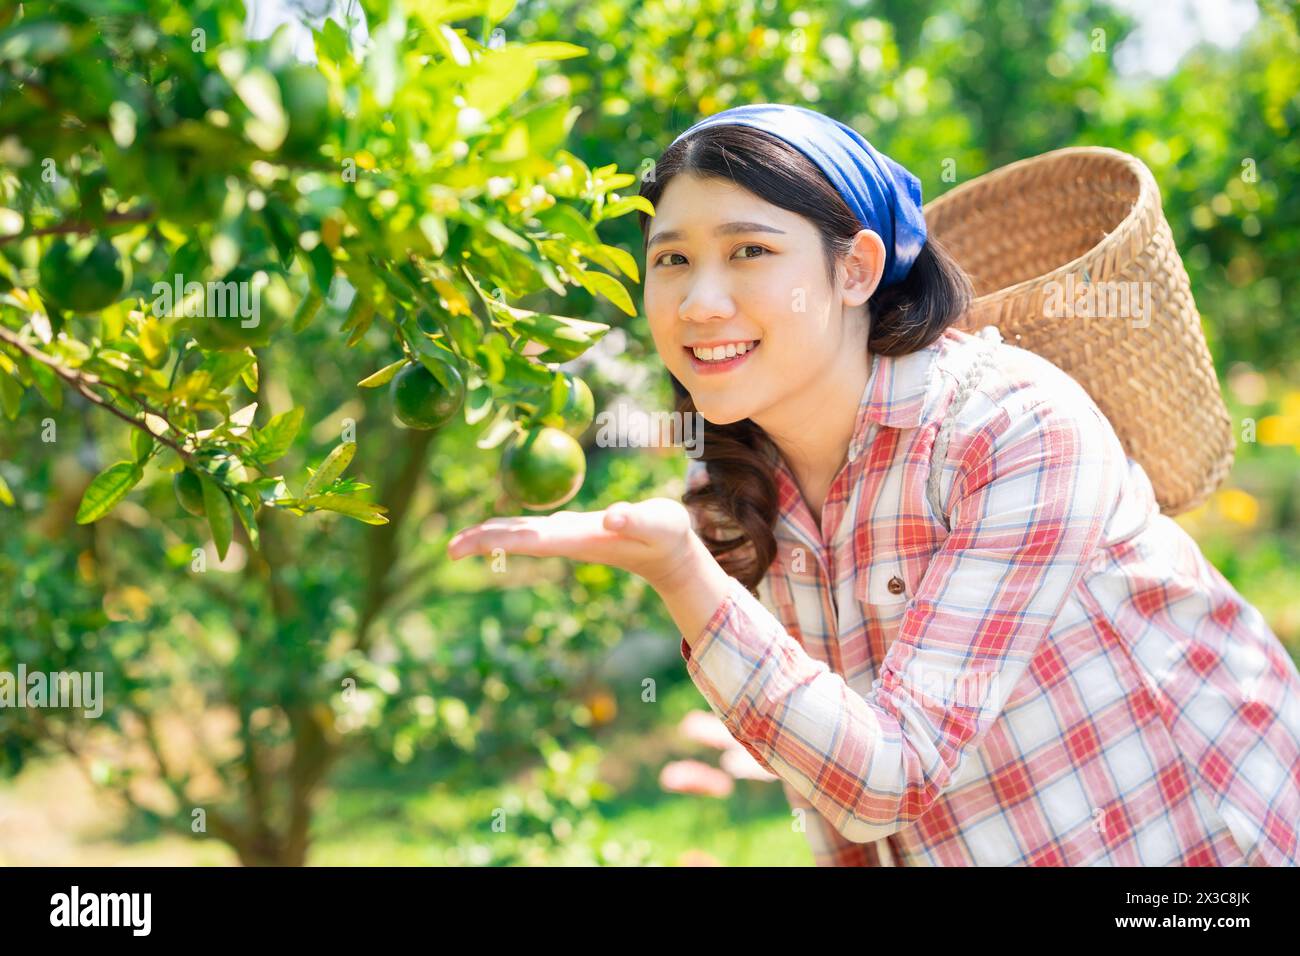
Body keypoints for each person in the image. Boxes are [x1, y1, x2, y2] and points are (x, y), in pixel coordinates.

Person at [447, 103, 1300, 866]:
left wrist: (682, 576)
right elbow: (837, 797)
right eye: (670, 259)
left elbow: (888, 777)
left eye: (750, 250)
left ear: (855, 269)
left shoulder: (1008, 428)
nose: (699, 302)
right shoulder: (736, 489)